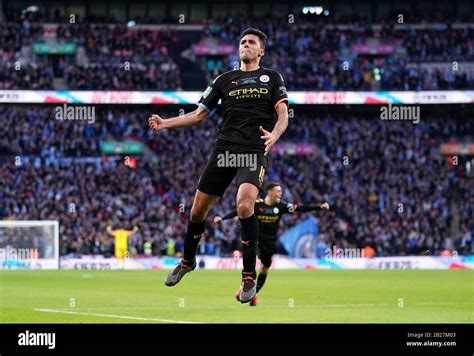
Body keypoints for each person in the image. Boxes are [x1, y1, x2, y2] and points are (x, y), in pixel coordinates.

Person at [148, 28, 289, 303]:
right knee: (198, 210)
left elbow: (283, 114)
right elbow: (199, 114)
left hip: (253, 149)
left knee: (245, 205)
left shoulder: (272, 78)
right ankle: (188, 260)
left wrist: (275, 134)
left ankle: (248, 276)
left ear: (261, 51)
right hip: (225, 149)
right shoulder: (224, 79)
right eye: (242, 42)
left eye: (251, 43)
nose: (245, 45)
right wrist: (165, 123)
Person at [214, 182, 330, 306]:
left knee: (264, 269)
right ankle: (245, 288)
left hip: (269, 243)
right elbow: (239, 210)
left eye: (281, 191)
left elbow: (299, 208)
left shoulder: (281, 206)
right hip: (255, 240)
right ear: (270, 192)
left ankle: (254, 293)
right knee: (250, 262)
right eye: (278, 191)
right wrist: (223, 218)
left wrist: (319, 207)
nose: (280, 193)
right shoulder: (257, 204)